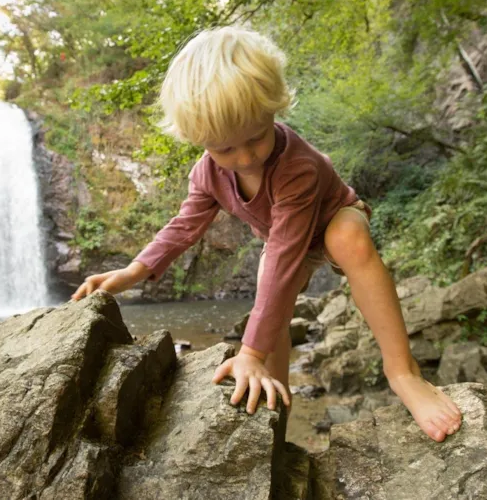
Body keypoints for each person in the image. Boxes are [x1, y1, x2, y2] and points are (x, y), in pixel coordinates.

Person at [71, 26, 462, 442]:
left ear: (274, 108)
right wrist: (134, 271)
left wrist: (248, 350)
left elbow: (285, 251)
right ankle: (276, 407)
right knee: (267, 293)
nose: (243, 158)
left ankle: (403, 372)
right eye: (223, 149)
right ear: (198, 140)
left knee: (346, 239)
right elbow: (184, 225)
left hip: (330, 218)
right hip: (283, 236)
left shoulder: (298, 166)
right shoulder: (207, 172)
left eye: (255, 138)